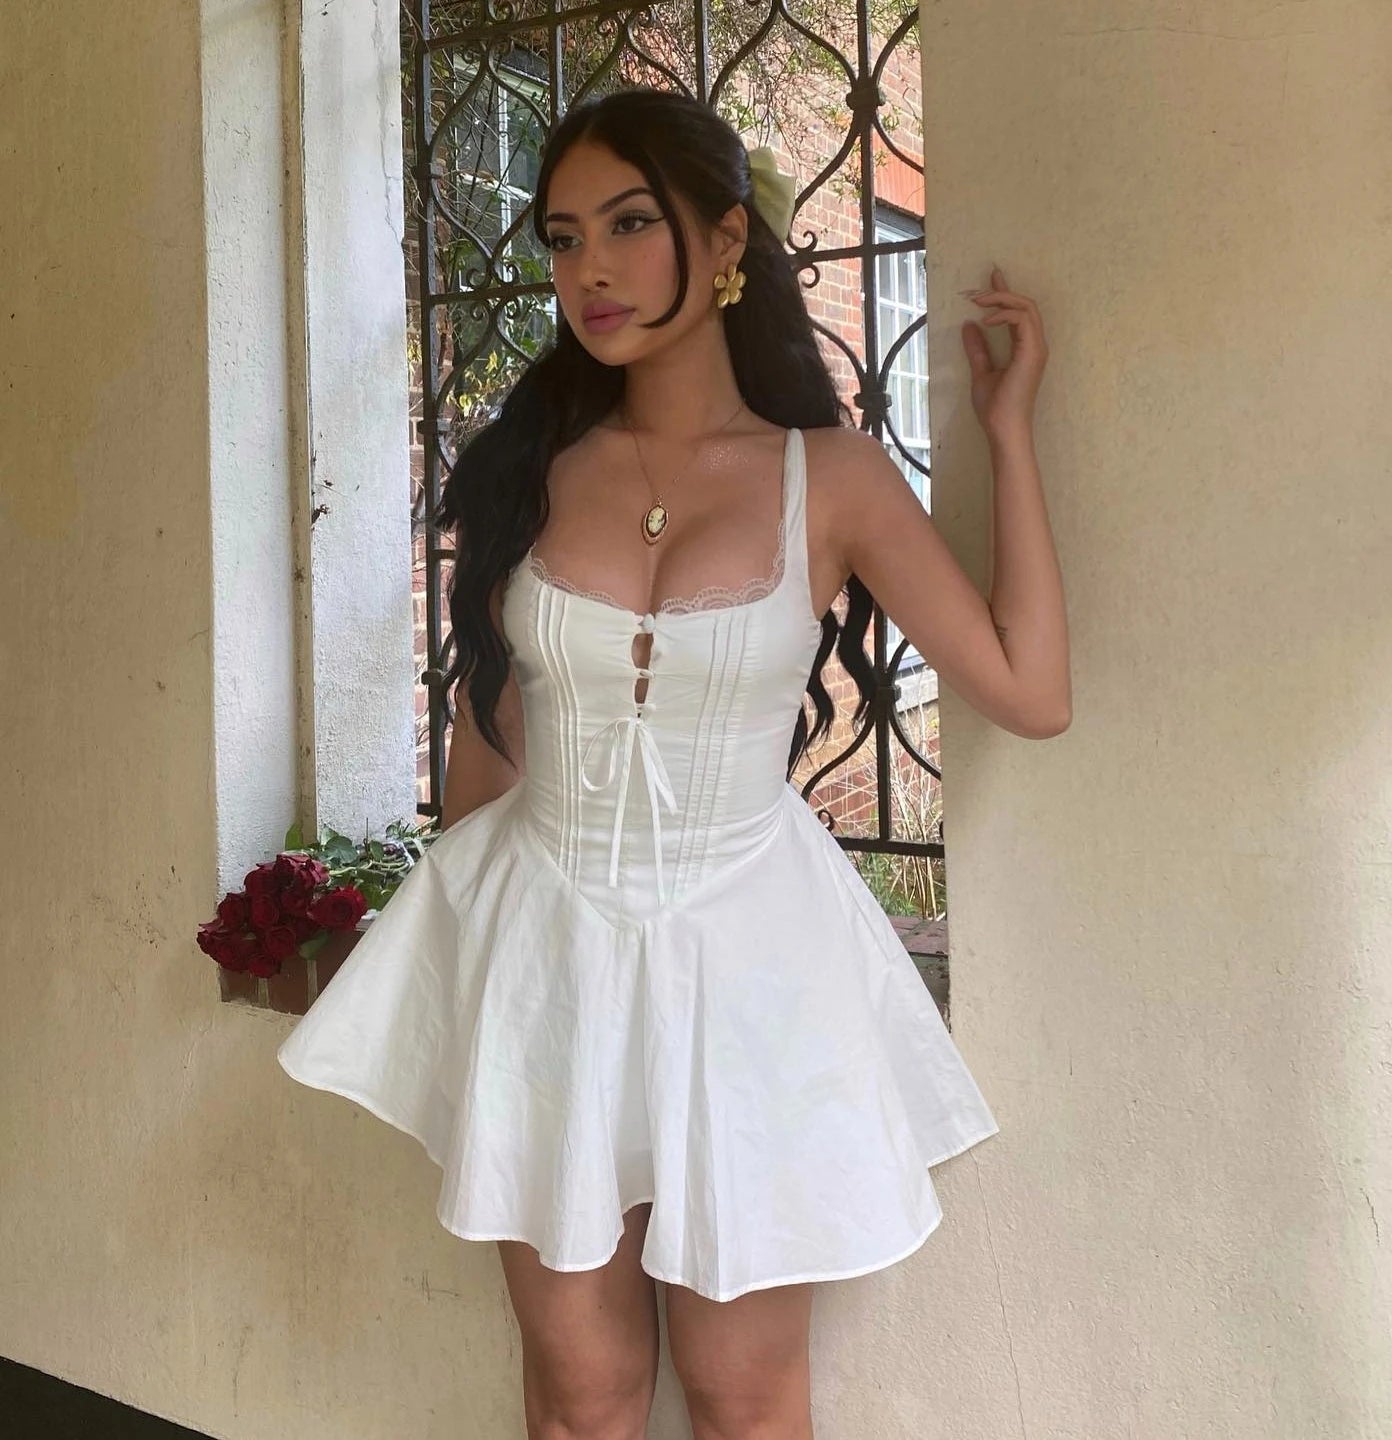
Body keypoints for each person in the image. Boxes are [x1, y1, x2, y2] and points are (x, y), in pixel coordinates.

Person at [279, 85, 1067, 1440]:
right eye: (563, 236)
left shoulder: (831, 476)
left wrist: (1009, 439)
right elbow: (489, 738)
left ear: (726, 239)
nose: (590, 267)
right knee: (580, 1403)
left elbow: (1029, 693)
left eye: (630, 224)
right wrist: (457, 980)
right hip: (548, 954)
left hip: (751, 965)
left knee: (745, 1400)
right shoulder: (529, 468)